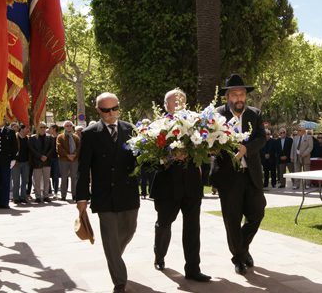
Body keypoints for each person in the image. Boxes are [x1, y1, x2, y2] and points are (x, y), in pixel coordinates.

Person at [76, 92, 139, 293]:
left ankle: (113, 257)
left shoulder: (130, 129)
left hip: (128, 192)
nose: (111, 113)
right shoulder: (89, 133)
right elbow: (83, 168)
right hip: (104, 195)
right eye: (106, 110)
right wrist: (82, 197)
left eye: (115, 108)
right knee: (110, 238)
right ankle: (120, 281)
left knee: (129, 230)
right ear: (98, 110)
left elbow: (139, 159)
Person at [150, 89, 211, 282]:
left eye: (181, 101)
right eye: (174, 102)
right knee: (164, 223)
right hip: (167, 186)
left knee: (193, 227)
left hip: (191, 184)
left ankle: (193, 269)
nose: (178, 104)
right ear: (166, 105)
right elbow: (152, 155)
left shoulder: (195, 123)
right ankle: (159, 255)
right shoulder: (158, 125)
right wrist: (171, 155)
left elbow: (205, 146)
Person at [209, 74, 266, 276]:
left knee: (258, 212)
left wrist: (246, 149)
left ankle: (241, 248)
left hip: (251, 174)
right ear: (227, 97)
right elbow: (209, 142)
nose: (239, 98)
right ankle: (239, 258)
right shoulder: (216, 115)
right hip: (228, 177)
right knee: (232, 220)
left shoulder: (255, 114)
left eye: (242, 94)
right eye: (235, 94)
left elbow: (261, 139)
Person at [28, 122, 55, 203]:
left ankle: (46, 196)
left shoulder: (50, 137)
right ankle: (38, 196)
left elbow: (52, 148)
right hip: (37, 162)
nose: (43, 129)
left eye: (44, 127)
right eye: (41, 127)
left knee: (47, 180)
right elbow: (32, 149)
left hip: (47, 161)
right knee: (37, 180)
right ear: (37, 128)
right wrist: (40, 156)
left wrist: (46, 156)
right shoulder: (32, 138)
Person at [56, 121, 81, 201]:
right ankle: (63, 195)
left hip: (74, 160)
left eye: (70, 125)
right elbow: (59, 147)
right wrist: (67, 155)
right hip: (64, 160)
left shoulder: (76, 137)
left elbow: (79, 147)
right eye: (67, 126)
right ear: (64, 127)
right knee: (64, 178)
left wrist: (74, 155)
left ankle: (74, 195)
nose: (69, 127)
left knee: (74, 177)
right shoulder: (60, 136)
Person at [12, 125, 30, 204]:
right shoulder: (14, 138)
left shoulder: (28, 138)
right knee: (16, 181)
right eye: (27, 128)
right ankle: (15, 197)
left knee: (25, 181)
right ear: (22, 129)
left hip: (26, 163)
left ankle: (23, 197)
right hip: (16, 163)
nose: (28, 130)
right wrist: (13, 160)